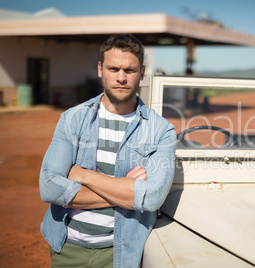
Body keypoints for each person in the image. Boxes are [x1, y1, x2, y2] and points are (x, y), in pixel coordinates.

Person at [39, 34, 176, 267]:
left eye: (129, 71)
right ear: (101, 69)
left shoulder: (161, 130)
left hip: (121, 254)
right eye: (114, 68)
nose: (121, 78)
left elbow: (152, 198)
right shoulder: (73, 118)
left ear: (141, 73)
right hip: (67, 248)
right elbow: (49, 187)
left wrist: (83, 175)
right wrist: (126, 189)